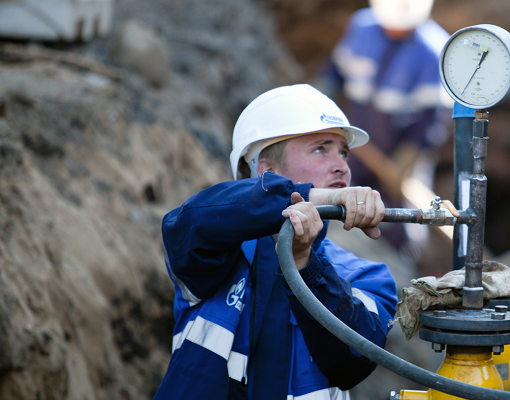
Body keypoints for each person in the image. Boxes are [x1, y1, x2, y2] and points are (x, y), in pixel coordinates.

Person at [154, 84, 398, 399]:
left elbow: (351, 364)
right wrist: (311, 195)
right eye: (321, 148)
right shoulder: (216, 253)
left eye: (344, 152)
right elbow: (185, 223)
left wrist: (305, 266)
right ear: (266, 172)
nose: (342, 165)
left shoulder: (367, 276)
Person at [315, 0, 451, 263]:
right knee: (344, 204)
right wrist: (317, 100)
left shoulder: (433, 50)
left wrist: (409, 158)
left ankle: (401, 272)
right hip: (357, 144)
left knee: (401, 220)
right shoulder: (362, 27)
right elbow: (335, 72)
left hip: (401, 151)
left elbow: (432, 118)